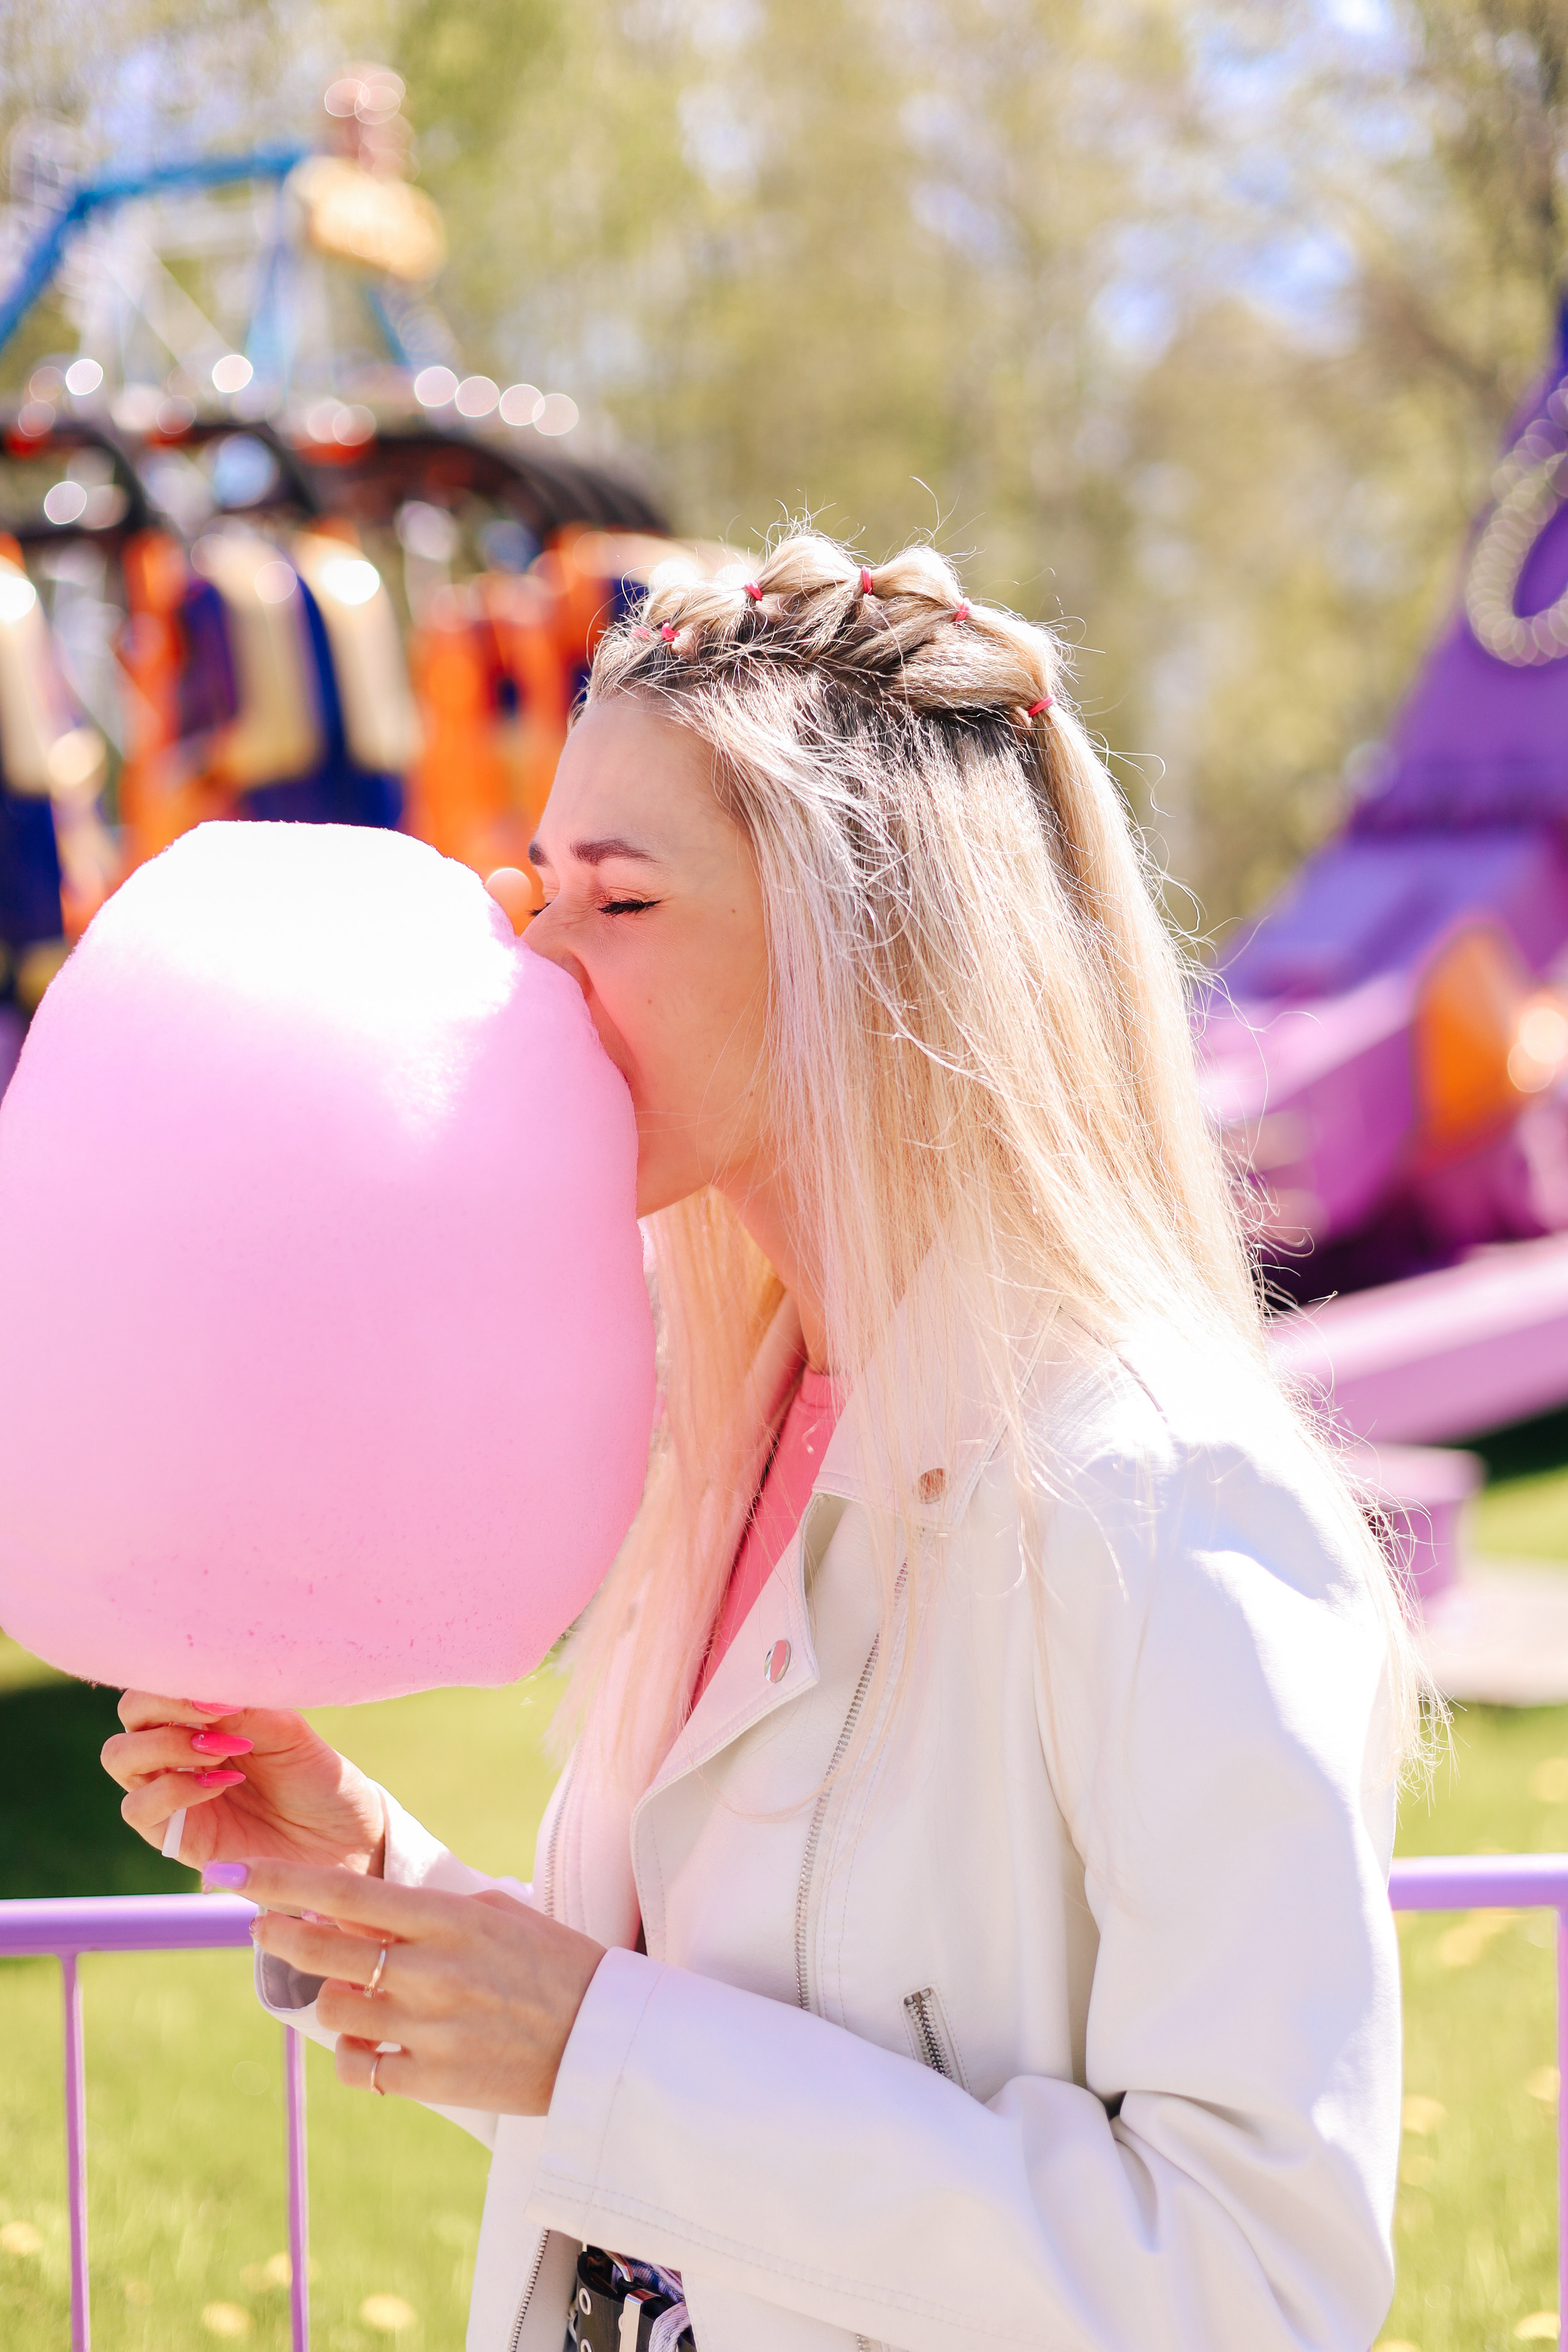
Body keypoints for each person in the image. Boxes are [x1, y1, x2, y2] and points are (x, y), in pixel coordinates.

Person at [101, 532, 1416, 2352]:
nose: (534, 960)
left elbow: (1255, 2281)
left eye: (619, 902)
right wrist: (366, 1876)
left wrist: (594, 2052)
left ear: (871, 954)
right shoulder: (742, 1431)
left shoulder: (1160, 1494)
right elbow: (680, 2077)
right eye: (541, 885)